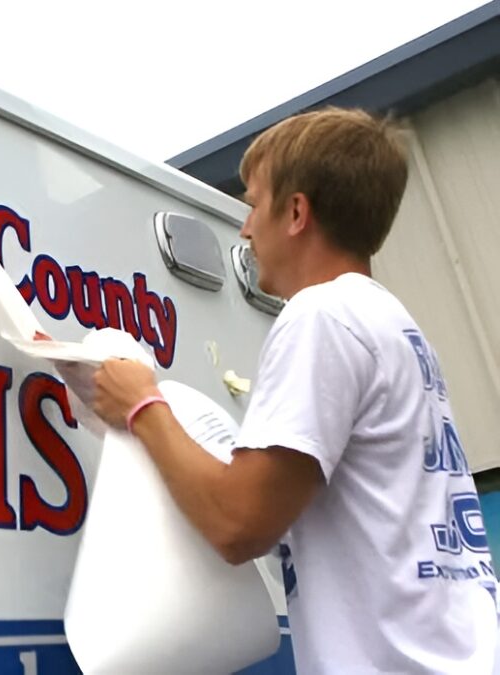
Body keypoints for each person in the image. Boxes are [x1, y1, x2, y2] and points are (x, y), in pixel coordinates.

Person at [90, 107, 497, 673]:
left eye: (254, 203)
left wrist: (142, 405)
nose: (245, 228)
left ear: (297, 212)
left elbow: (238, 525)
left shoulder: (322, 316)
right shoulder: (389, 321)